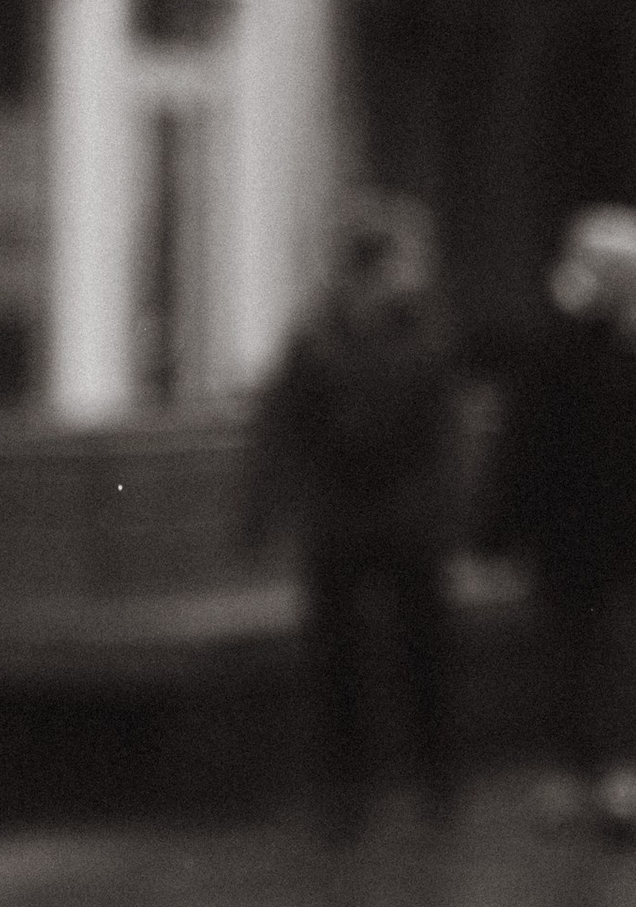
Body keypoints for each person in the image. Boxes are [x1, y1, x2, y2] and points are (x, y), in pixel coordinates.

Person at [248, 192, 464, 837]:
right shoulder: (401, 332)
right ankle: (385, 785)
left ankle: (398, 784)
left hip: (376, 518)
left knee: (397, 655)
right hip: (367, 519)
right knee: (365, 658)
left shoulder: (335, 336)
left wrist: (270, 507)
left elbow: (285, 427)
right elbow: (290, 426)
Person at [485, 205, 636, 840]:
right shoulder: (558, 346)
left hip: (609, 530)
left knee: (606, 653)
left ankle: (611, 772)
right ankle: (587, 770)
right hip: (576, 530)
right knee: (575, 653)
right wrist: (499, 529)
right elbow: (524, 441)